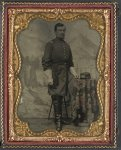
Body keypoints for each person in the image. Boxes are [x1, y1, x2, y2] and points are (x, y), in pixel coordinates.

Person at [42, 23, 78, 131]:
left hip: (65, 75)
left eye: (64, 30)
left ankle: (62, 118)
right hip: (55, 74)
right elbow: (46, 62)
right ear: (55, 31)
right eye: (60, 30)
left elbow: (70, 63)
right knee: (56, 97)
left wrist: (75, 73)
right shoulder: (50, 44)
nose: (62, 32)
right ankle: (58, 121)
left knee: (64, 95)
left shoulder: (67, 45)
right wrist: (49, 77)